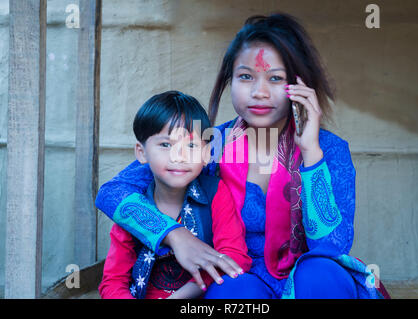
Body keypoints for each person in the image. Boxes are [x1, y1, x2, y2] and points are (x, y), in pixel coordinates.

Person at [96, 13, 390, 299]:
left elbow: (330, 247)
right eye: (246, 77)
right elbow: (112, 192)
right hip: (238, 276)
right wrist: (174, 235)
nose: (259, 92)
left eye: (275, 79)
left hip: (311, 282)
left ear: (299, 86)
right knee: (232, 287)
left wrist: (311, 151)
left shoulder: (329, 149)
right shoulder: (206, 145)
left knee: (322, 273)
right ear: (230, 80)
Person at [98, 91, 251, 299]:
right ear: (141, 153)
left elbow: (234, 258)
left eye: (191, 145)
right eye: (165, 145)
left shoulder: (215, 192)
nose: (179, 156)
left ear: (206, 154)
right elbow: (113, 282)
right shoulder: (133, 204)